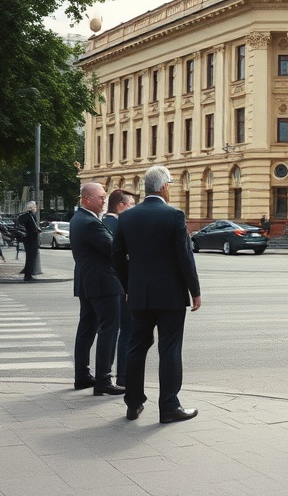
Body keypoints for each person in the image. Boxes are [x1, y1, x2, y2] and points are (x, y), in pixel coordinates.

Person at [113, 166, 202, 424]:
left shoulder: (127, 217)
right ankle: (169, 407)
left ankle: (133, 402)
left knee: (136, 347)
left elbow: (115, 256)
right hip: (170, 296)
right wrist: (194, 291)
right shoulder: (174, 215)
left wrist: (128, 286)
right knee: (170, 348)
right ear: (163, 187)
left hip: (138, 295)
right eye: (170, 185)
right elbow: (185, 257)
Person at [70, 182, 125, 395]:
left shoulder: (79, 219)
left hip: (87, 281)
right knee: (109, 329)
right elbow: (112, 248)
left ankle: (82, 376)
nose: (104, 200)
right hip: (103, 282)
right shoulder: (89, 222)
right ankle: (103, 379)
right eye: (101, 197)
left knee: (86, 329)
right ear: (86, 199)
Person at [102, 189, 136, 388]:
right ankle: (122, 375)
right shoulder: (117, 224)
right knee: (127, 331)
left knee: (113, 331)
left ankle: (108, 374)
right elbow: (122, 256)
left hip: (111, 284)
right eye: (130, 204)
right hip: (120, 285)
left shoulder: (103, 222)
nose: (132, 208)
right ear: (121, 205)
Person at [18, 201, 42, 281]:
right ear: (31, 208)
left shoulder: (24, 216)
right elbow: (34, 228)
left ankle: (27, 273)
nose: (36, 208)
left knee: (29, 257)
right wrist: (38, 230)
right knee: (31, 257)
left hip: (26, 239)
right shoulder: (31, 216)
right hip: (32, 239)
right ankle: (28, 275)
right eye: (35, 206)